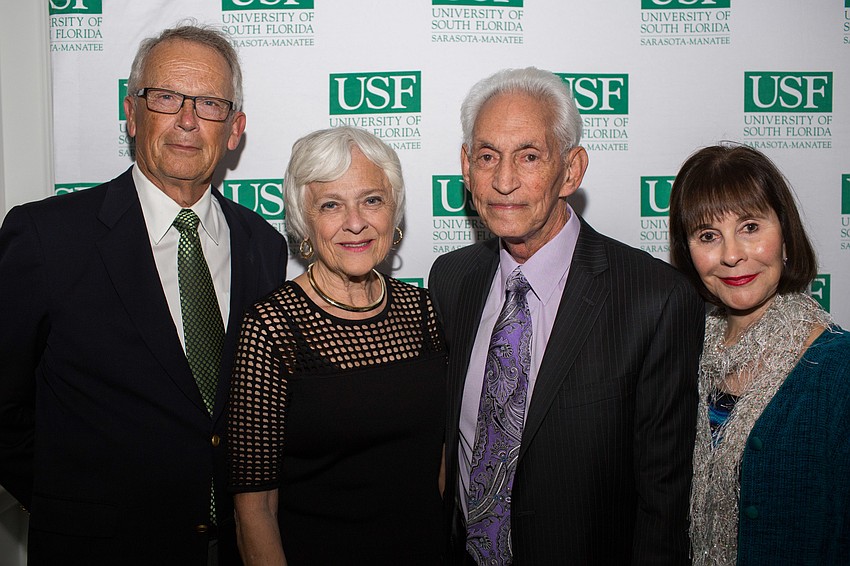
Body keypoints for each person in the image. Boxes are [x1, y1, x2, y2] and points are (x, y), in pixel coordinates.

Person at [0, 24, 288, 565]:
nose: (186, 120)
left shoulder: (263, 246)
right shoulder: (46, 238)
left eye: (208, 103)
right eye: (166, 98)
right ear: (132, 113)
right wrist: (70, 504)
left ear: (234, 129)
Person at [428, 67, 705, 566]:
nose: (504, 180)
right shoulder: (450, 279)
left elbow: (663, 503)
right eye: (487, 157)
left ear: (572, 170)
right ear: (466, 167)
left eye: (529, 156)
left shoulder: (655, 299)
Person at [227, 126, 446, 565]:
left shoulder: (424, 311)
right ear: (303, 220)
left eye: (372, 199)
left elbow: (440, 465)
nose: (355, 222)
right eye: (331, 205)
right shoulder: (272, 329)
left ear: (393, 210)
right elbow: (254, 509)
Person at [669, 144, 850, 565]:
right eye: (708, 236)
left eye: (750, 227)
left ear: (785, 234)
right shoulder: (680, 355)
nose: (731, 255)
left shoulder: (838, 370)